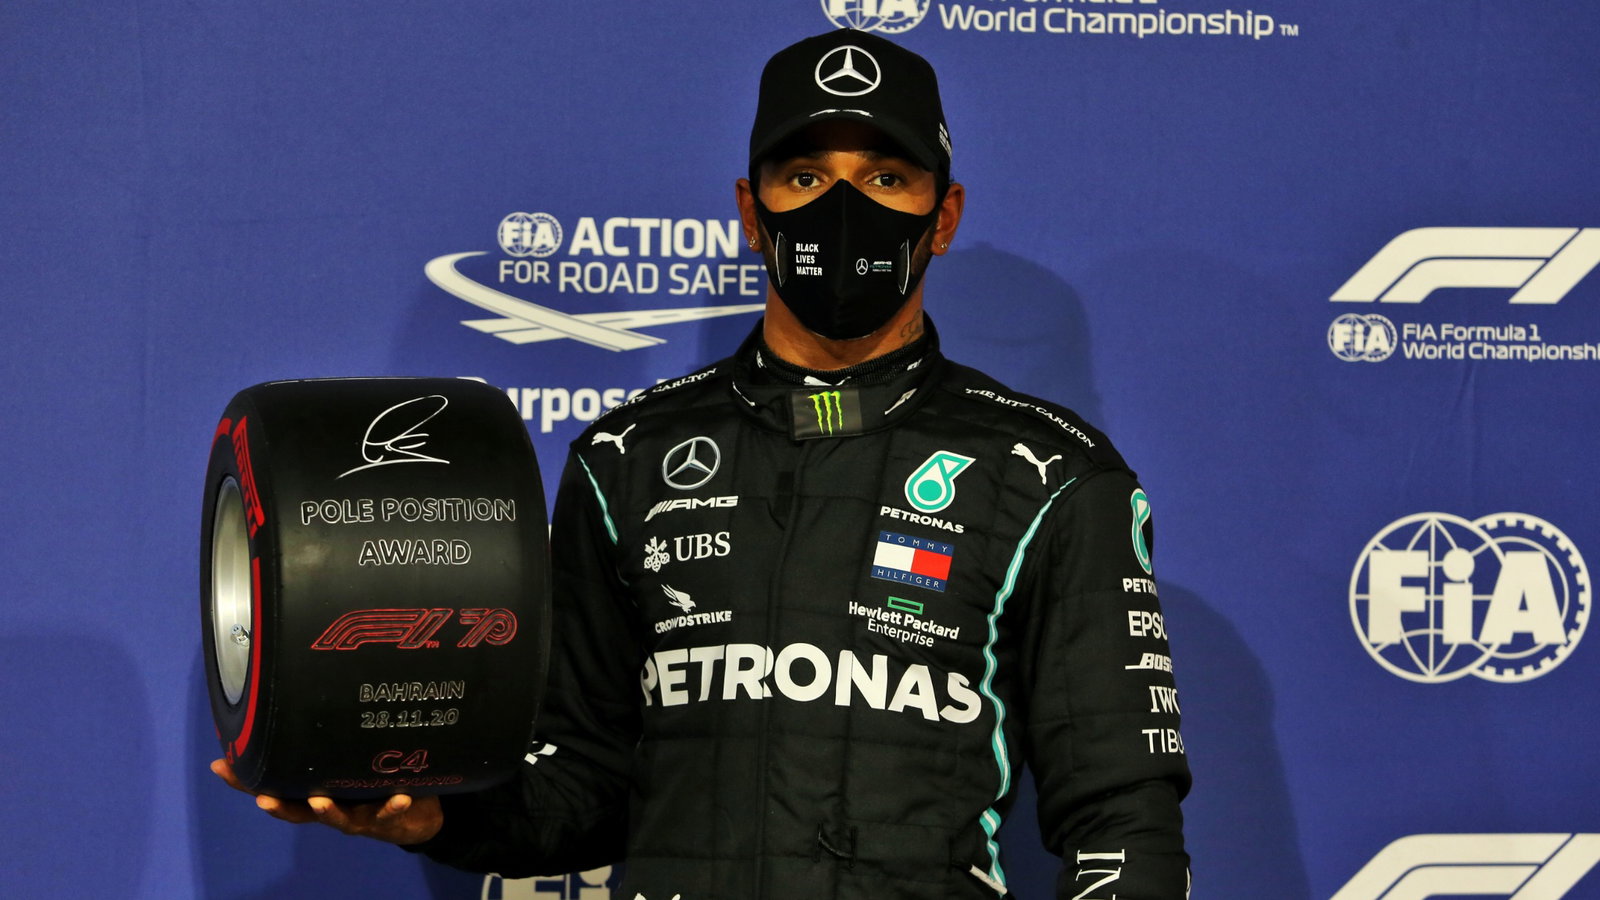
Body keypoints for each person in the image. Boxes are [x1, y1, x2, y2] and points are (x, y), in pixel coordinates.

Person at [216, 28, 1190, 899]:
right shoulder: (623, 460)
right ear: (748, 210)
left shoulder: (1052, 474)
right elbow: (583, 785)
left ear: (944, 214)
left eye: (886, 177)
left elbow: (1122, 824)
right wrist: (440, 815)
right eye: (804, 176)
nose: (842, 209)